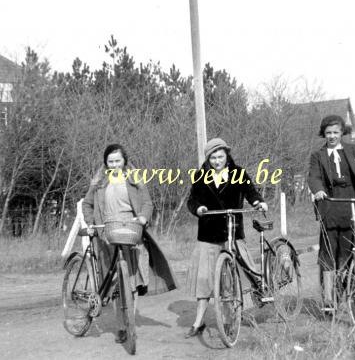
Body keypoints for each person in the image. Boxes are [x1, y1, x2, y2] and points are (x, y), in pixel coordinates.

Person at [82, 144, 177, 343]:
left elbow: (147, 203)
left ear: (124, 161)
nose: (115, 165)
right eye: (111, 161)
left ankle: (129, 323)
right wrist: (91, 223)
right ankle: (120, 326)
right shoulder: (99, 182)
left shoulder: (134, 179)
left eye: (118, 160)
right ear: (106, 163)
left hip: (131, 231)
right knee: (114, 282)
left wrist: (143, 218)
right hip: (106, 231)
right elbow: (87, 204)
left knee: (130, 282)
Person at [185, 138, 268, 338]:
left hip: (232, 231)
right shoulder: (200, 176)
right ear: (208, 158)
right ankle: (198, 322)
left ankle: (231, 319)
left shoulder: (238, 173)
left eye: (220, 156)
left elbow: (250, 192)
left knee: (232, 278)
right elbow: (192, 200)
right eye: (213, 157)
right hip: (208, 233)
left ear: (227, 155)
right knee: (204, 280)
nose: (217, 160)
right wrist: (198, 208)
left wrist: (258, 202)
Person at [307, 115, 355, 314]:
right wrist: (318, 190)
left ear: (342, 133)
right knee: (329, 252)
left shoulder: (353, 150)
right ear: (324, 134)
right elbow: (313, 177)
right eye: (328, 133)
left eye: (335, 132)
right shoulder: (318, 156)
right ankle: (329, 299)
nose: (332, 136)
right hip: (330, 205)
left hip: (354, 205)